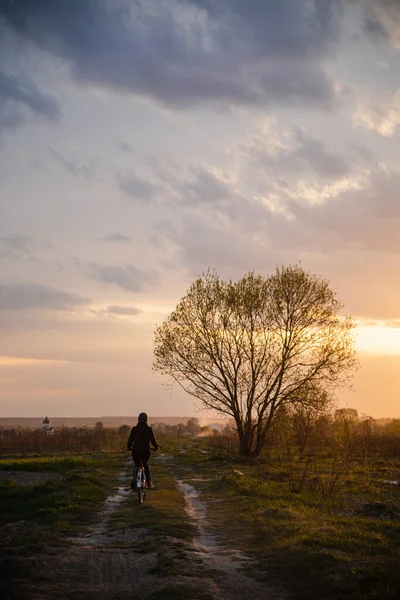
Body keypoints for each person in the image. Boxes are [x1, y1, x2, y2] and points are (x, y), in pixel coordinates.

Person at [127, 413, 158, 489]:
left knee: (136, 465)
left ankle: (134, 482)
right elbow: (153, 441)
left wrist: (129, 447)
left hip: (136, 451)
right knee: (145, 465)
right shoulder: (149, 429)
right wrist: (156, 447)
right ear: (146, 420)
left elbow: (130, 440)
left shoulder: (134, 429)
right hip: (145, 451)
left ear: (138, 419)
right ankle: (149, 483)